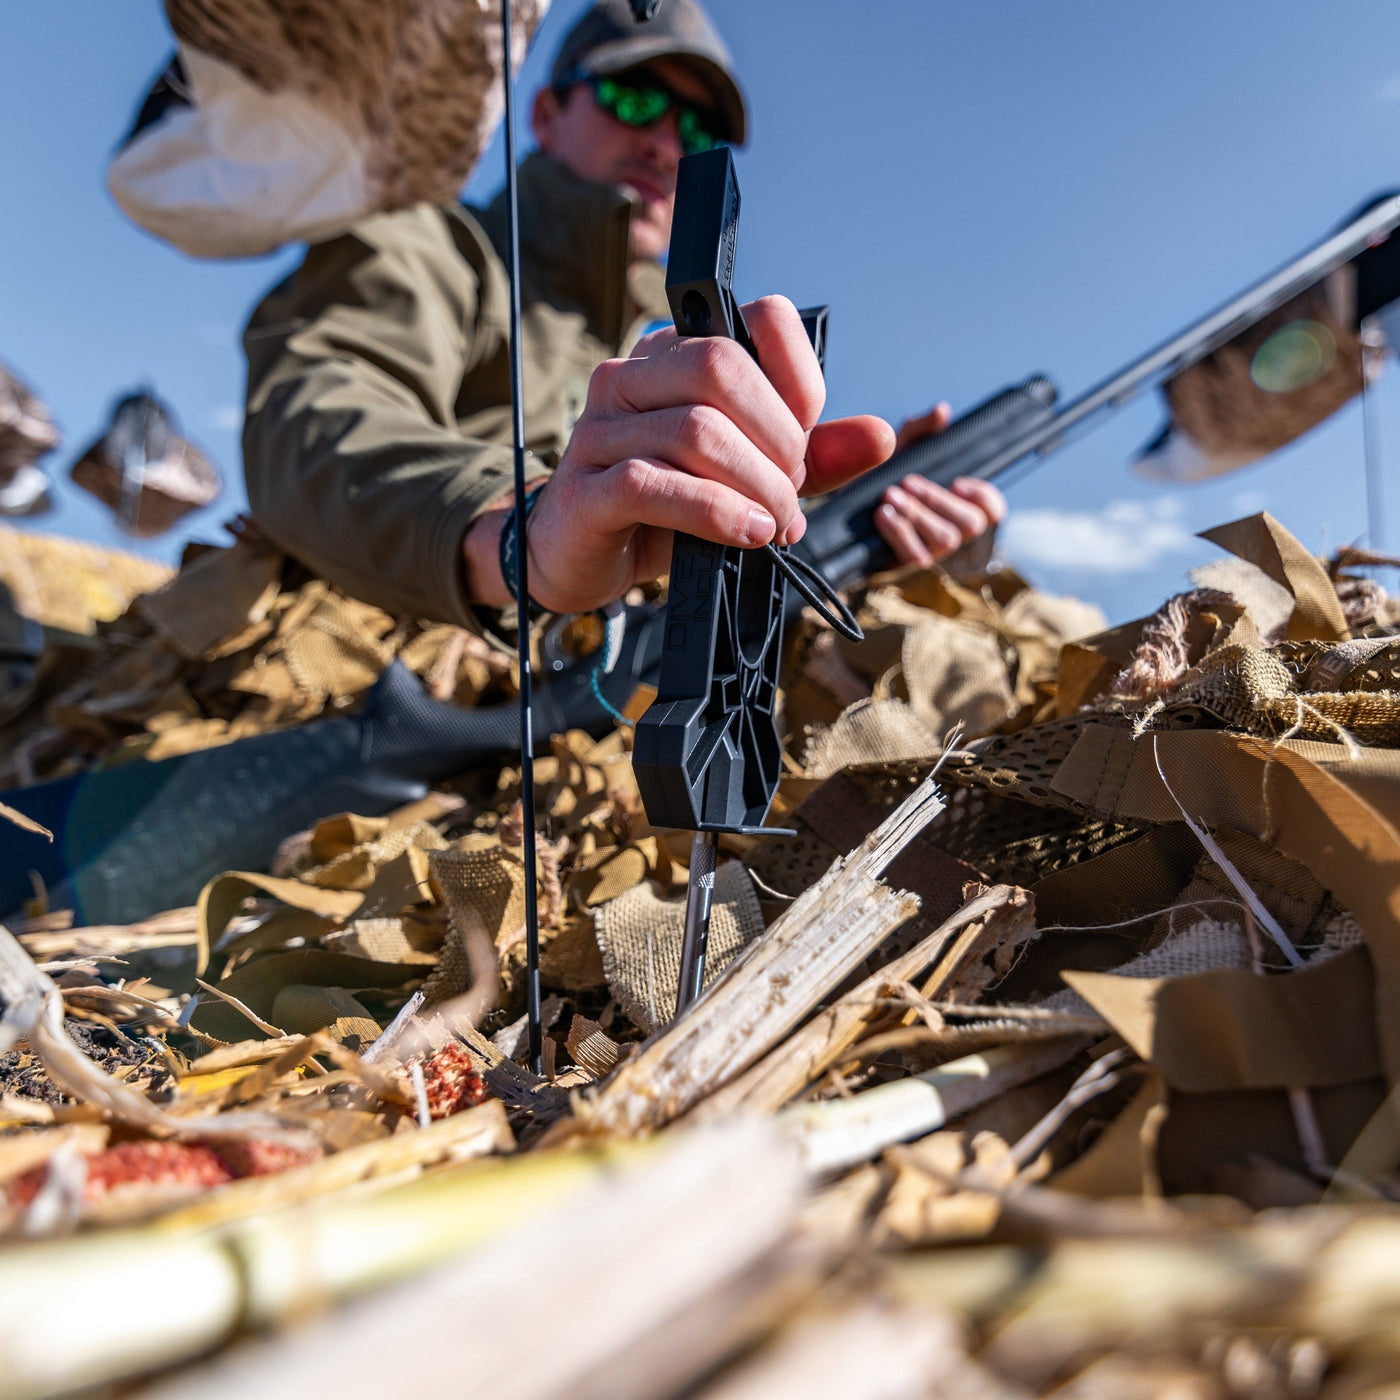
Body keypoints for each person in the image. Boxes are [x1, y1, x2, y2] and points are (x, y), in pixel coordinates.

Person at [242, 0, 1005, 632]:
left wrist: (867, 525)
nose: (666, 141)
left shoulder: (691, 345)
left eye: (699, 132)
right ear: (544, 113)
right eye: (634, 97)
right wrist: (519, 536)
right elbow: (311, 421)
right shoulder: (431, 250)